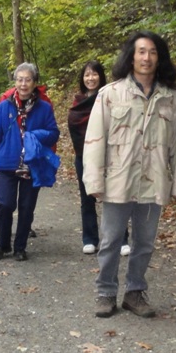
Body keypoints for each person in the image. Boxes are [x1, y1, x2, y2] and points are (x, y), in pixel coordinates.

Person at [83, 31, 176, 318]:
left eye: (153, 52)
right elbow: (94, 140)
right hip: (118, 180)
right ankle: (105, 292)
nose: (147, 57)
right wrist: (94, 180)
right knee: (110, 240)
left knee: (144, 242)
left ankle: (134, 292)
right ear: (131, 56)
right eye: (141, 51)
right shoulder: (110, 94)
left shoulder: (171, 97)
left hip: (153, 181)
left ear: (159, 57)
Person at [0, 63, 60, 261]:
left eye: (28, 80)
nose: (23, 84)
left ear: (35, 83)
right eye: (19, 79)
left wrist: (35, 135)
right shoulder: (4, 106)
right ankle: (3, 244)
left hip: (32, 164)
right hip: (6, 164)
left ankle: (20, 247)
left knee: (27, 207)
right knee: (6, 204)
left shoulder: (44, 107)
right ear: (15, 82)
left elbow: (54, 133)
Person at [67, 61, 129, 255]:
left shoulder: (111, 98)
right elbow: (75, 128)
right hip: (83, 156)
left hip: (110, 155)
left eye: (94, 74)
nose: (90, 78)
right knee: (87, 197)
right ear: (82, 78)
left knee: (115, 196)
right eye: (87, 75)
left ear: (101, 77)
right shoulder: (78, 102)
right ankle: (90, 238)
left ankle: (121, 239)